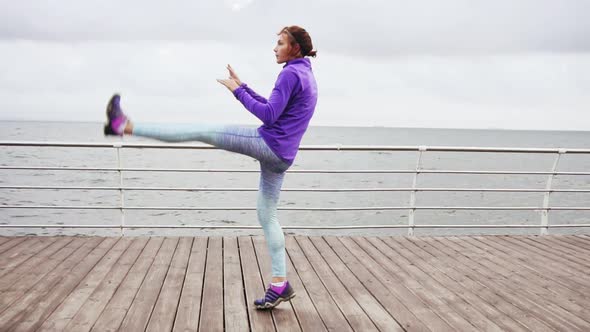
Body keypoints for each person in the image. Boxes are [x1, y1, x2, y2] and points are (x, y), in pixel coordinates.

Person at [104, 26, 318, 310]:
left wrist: (237, 92)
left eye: (280, 43)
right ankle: (280, 284)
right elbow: (274, 107)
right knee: (267, 215)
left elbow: (268, 115)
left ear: (295, 48)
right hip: (283, 156)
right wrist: (243, 86)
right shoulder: (306, 74)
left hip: (269, 144)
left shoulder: (290, 73)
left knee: (202, 130)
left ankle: (123, 125)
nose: (274, 48)